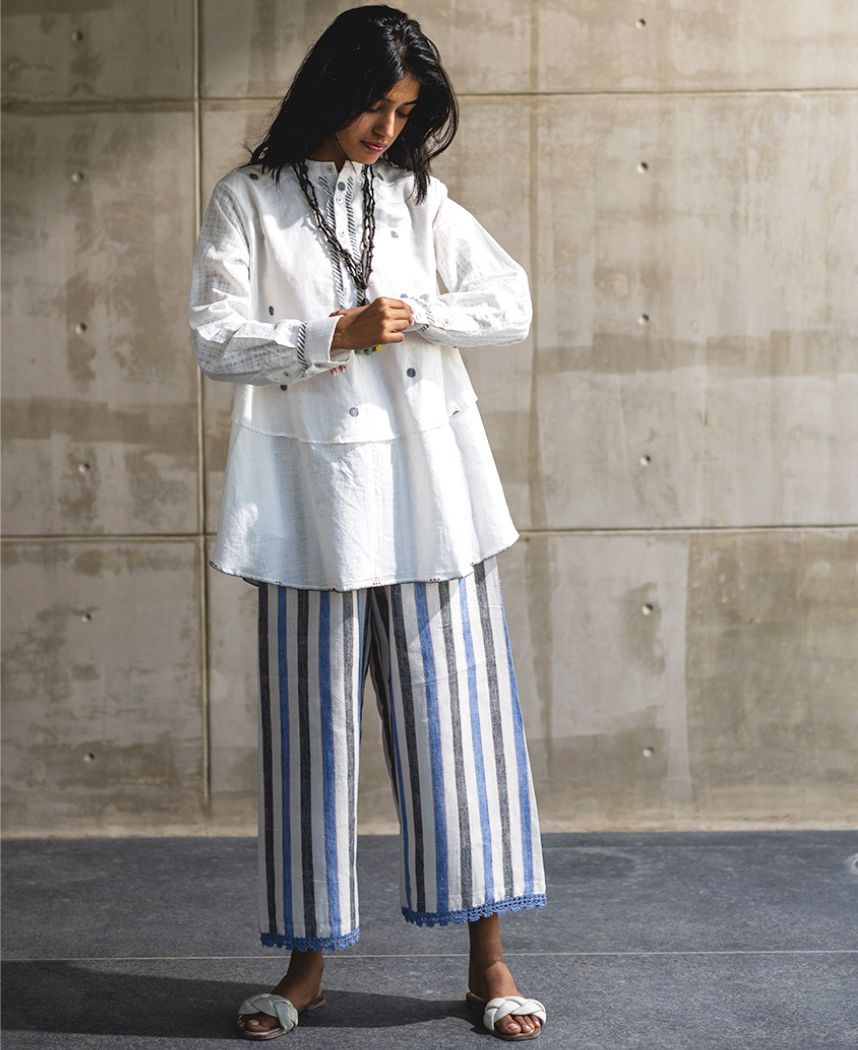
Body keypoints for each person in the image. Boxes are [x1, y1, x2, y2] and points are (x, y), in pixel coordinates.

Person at [188, 5, 548, 1041]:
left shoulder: (418, 200)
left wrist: (417, 312)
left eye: (405, 111)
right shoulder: (248, 200)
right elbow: (214, 337)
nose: (388, 128)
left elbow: (511, 303)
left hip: (434, 501)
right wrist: (328, 333)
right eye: (374, 105)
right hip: (308, 511)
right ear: (329, 91)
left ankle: (489, 963)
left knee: (462, 737)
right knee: (311, 742)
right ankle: (305, 968)